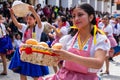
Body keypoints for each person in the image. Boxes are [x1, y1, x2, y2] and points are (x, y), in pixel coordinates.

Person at [40, 3, 110, 80]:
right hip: (63, 76)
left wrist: (69, 57)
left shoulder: (100, 39)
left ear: (90, 17)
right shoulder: (68, 38)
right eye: (73, 16)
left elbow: (98, 63)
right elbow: (54, 57)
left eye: (80, 15)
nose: (76, 18)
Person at [9, 6, 49, 80]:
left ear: (35, 20)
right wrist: (12, 14)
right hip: (24, 52)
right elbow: (16, 23)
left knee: (35, 74)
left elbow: (39, 20)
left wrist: (33, 11)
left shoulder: (38, 27)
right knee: (22, 72)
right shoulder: (24, 27)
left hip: (35, 52)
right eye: (27, 19)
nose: (28, 20)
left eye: (30, 19)